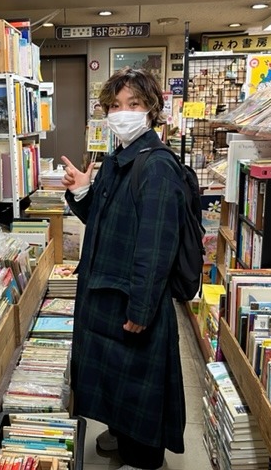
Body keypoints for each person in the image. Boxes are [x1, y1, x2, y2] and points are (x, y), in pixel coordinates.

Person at [61, 67, 186, 470]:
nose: (122, 113)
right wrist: (82, 191)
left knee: (137, 385)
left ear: (152, 109)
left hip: (132, 297)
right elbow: (103, 222)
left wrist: (142, 307)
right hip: (108, 292)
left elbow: (156, 246)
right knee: (116, 377)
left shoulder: (157, 167)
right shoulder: (119, 159)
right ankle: (122, 437)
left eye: (133, 104)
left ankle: (145, 459)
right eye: (115, 105)